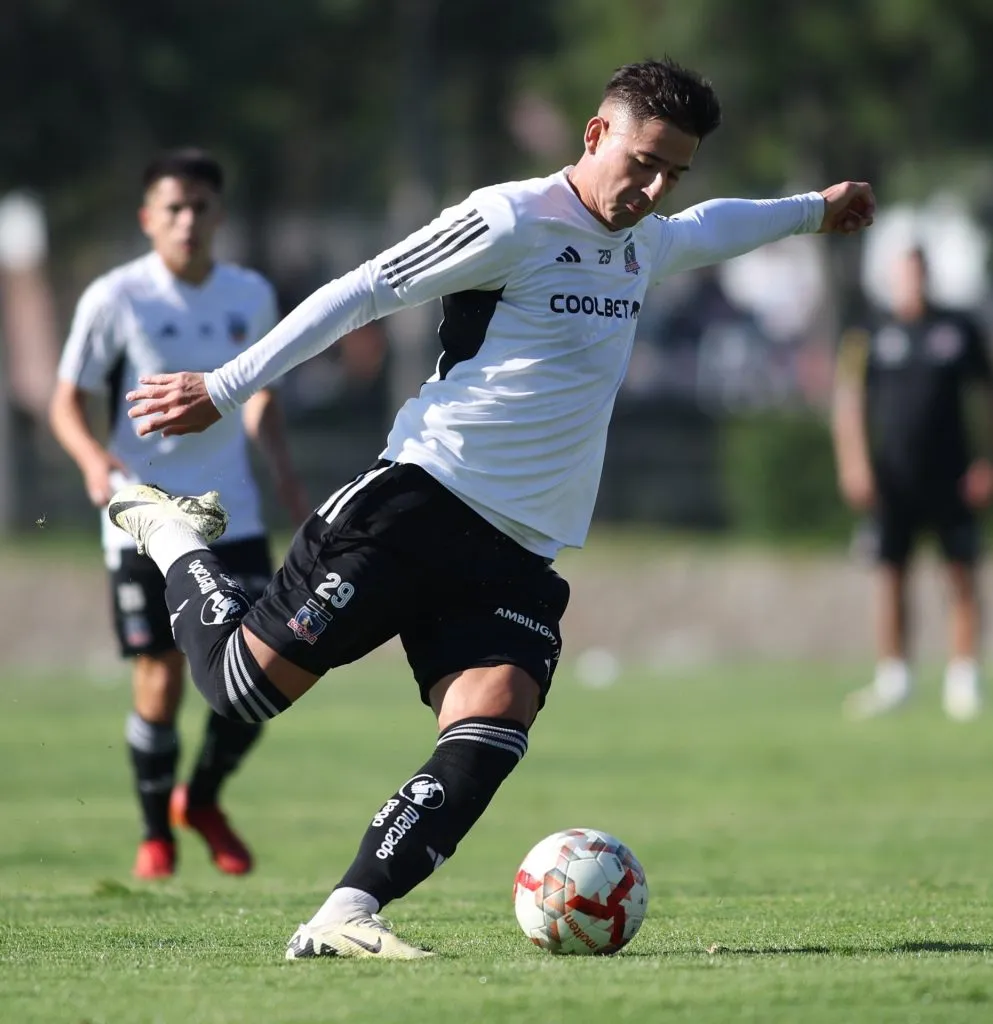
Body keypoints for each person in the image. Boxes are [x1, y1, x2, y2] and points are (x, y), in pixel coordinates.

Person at [108, 60, 874, 958]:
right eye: (643, 162)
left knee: (493, 719)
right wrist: (225, 386)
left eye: (674, 172)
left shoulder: (644, 240)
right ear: (593, 135)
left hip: (518, 551)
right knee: (238, 693)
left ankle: (346, 914)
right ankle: (169, 531)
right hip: (420, 502)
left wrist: (814, 209)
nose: (655, 188)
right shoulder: (509, 218)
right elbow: (362, 289)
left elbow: (715, 227)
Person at [49, 148, 309, 880]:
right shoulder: (116, 297)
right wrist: (95, 463)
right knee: (161, 679)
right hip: (141, 517)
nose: (187, 220)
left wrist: (287, 482)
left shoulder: (249, 294)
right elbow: (66, 401)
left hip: (235, 517)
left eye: (199, 207)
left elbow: (261, 394)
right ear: (147, 219)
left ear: (218, 215)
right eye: (173, 208)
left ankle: (203, 799)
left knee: (267, 671)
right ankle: (153, 833)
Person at [832, 246, 993, 721]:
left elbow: (986, 396)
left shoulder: (959, 330)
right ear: (891, 278)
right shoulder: (867, 333)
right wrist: (854, 464)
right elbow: (848, 402)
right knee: (890, 576)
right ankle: (894, 679)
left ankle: (964, 680)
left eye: (919, 273)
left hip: (952, 475)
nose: (913, 283)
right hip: (893, 479)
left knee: (960, 572)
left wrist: (986, 461)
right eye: (905, 274)